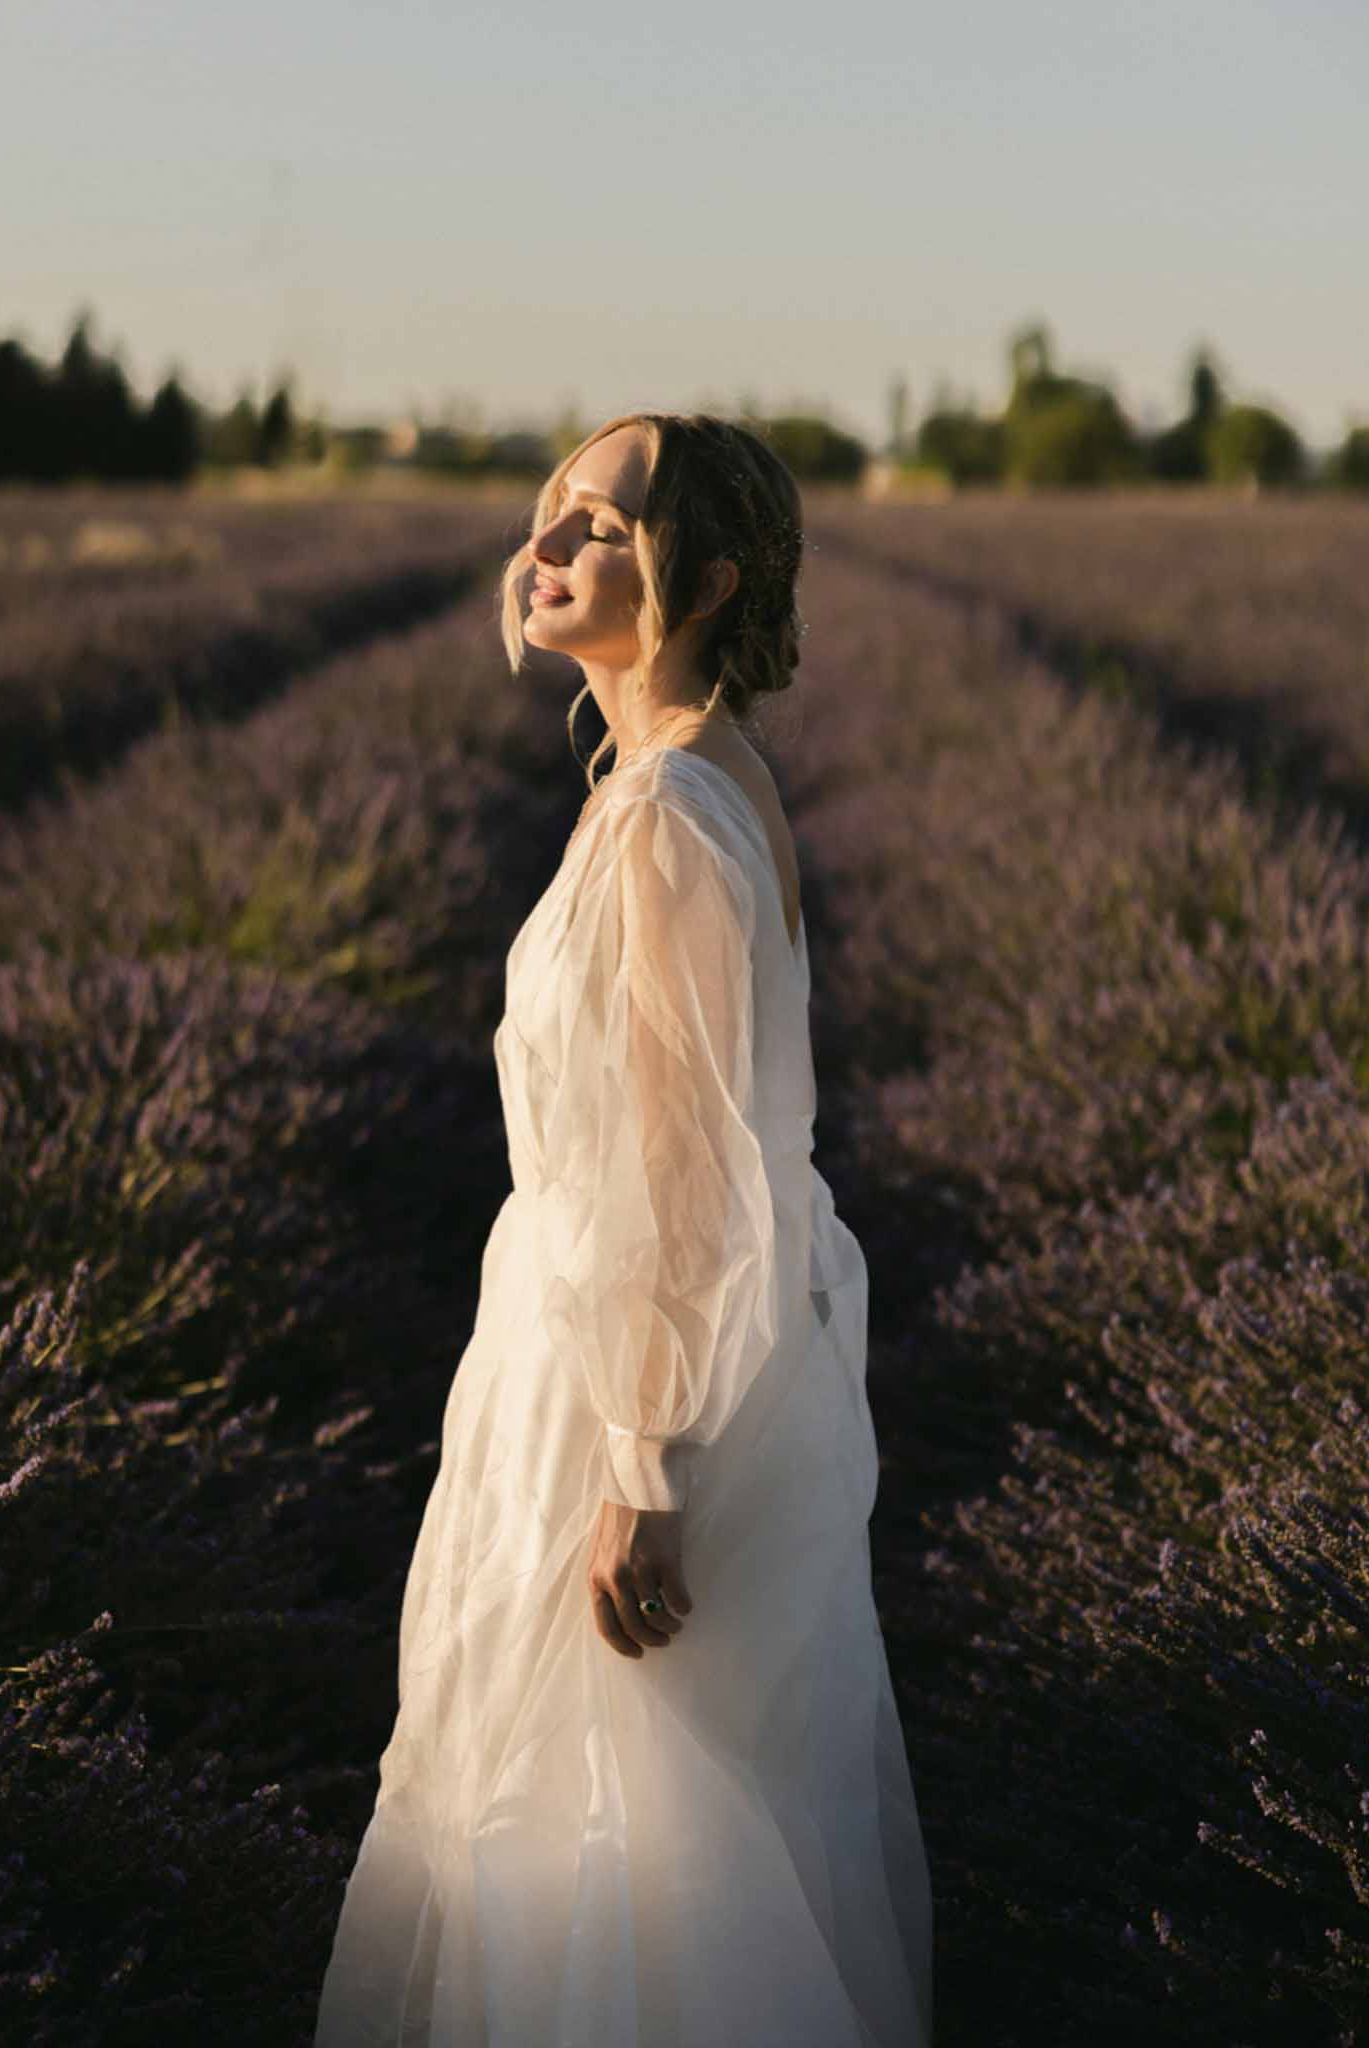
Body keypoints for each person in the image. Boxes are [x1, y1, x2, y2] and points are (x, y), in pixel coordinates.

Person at [314, 413, 933, 2046]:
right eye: (554, 514)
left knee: (613, 1823)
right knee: (671, 1820)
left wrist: (640, 1472)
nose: (554, 547)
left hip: (642, 1376)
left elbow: (679, 1171)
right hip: (683, 1341)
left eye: (603, 525)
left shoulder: (666, 815)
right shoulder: (699, 778)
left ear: (707, 580)